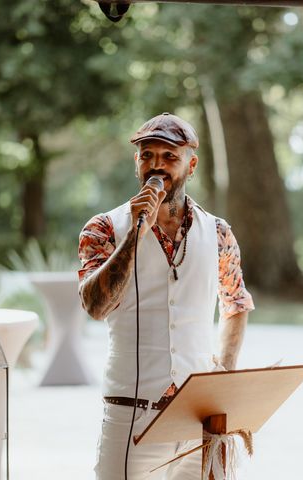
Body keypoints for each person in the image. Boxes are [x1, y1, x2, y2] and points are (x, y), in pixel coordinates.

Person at [78, 112, 254, 479]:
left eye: (169, 157)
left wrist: (224, 371)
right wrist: (135, 234)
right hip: (131, 413)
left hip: (200, 415)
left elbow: (235, 302)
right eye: (147, 155)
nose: (156, 166)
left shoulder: (218, 232)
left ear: (192, 164)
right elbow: (95, 306)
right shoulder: (104, 228)